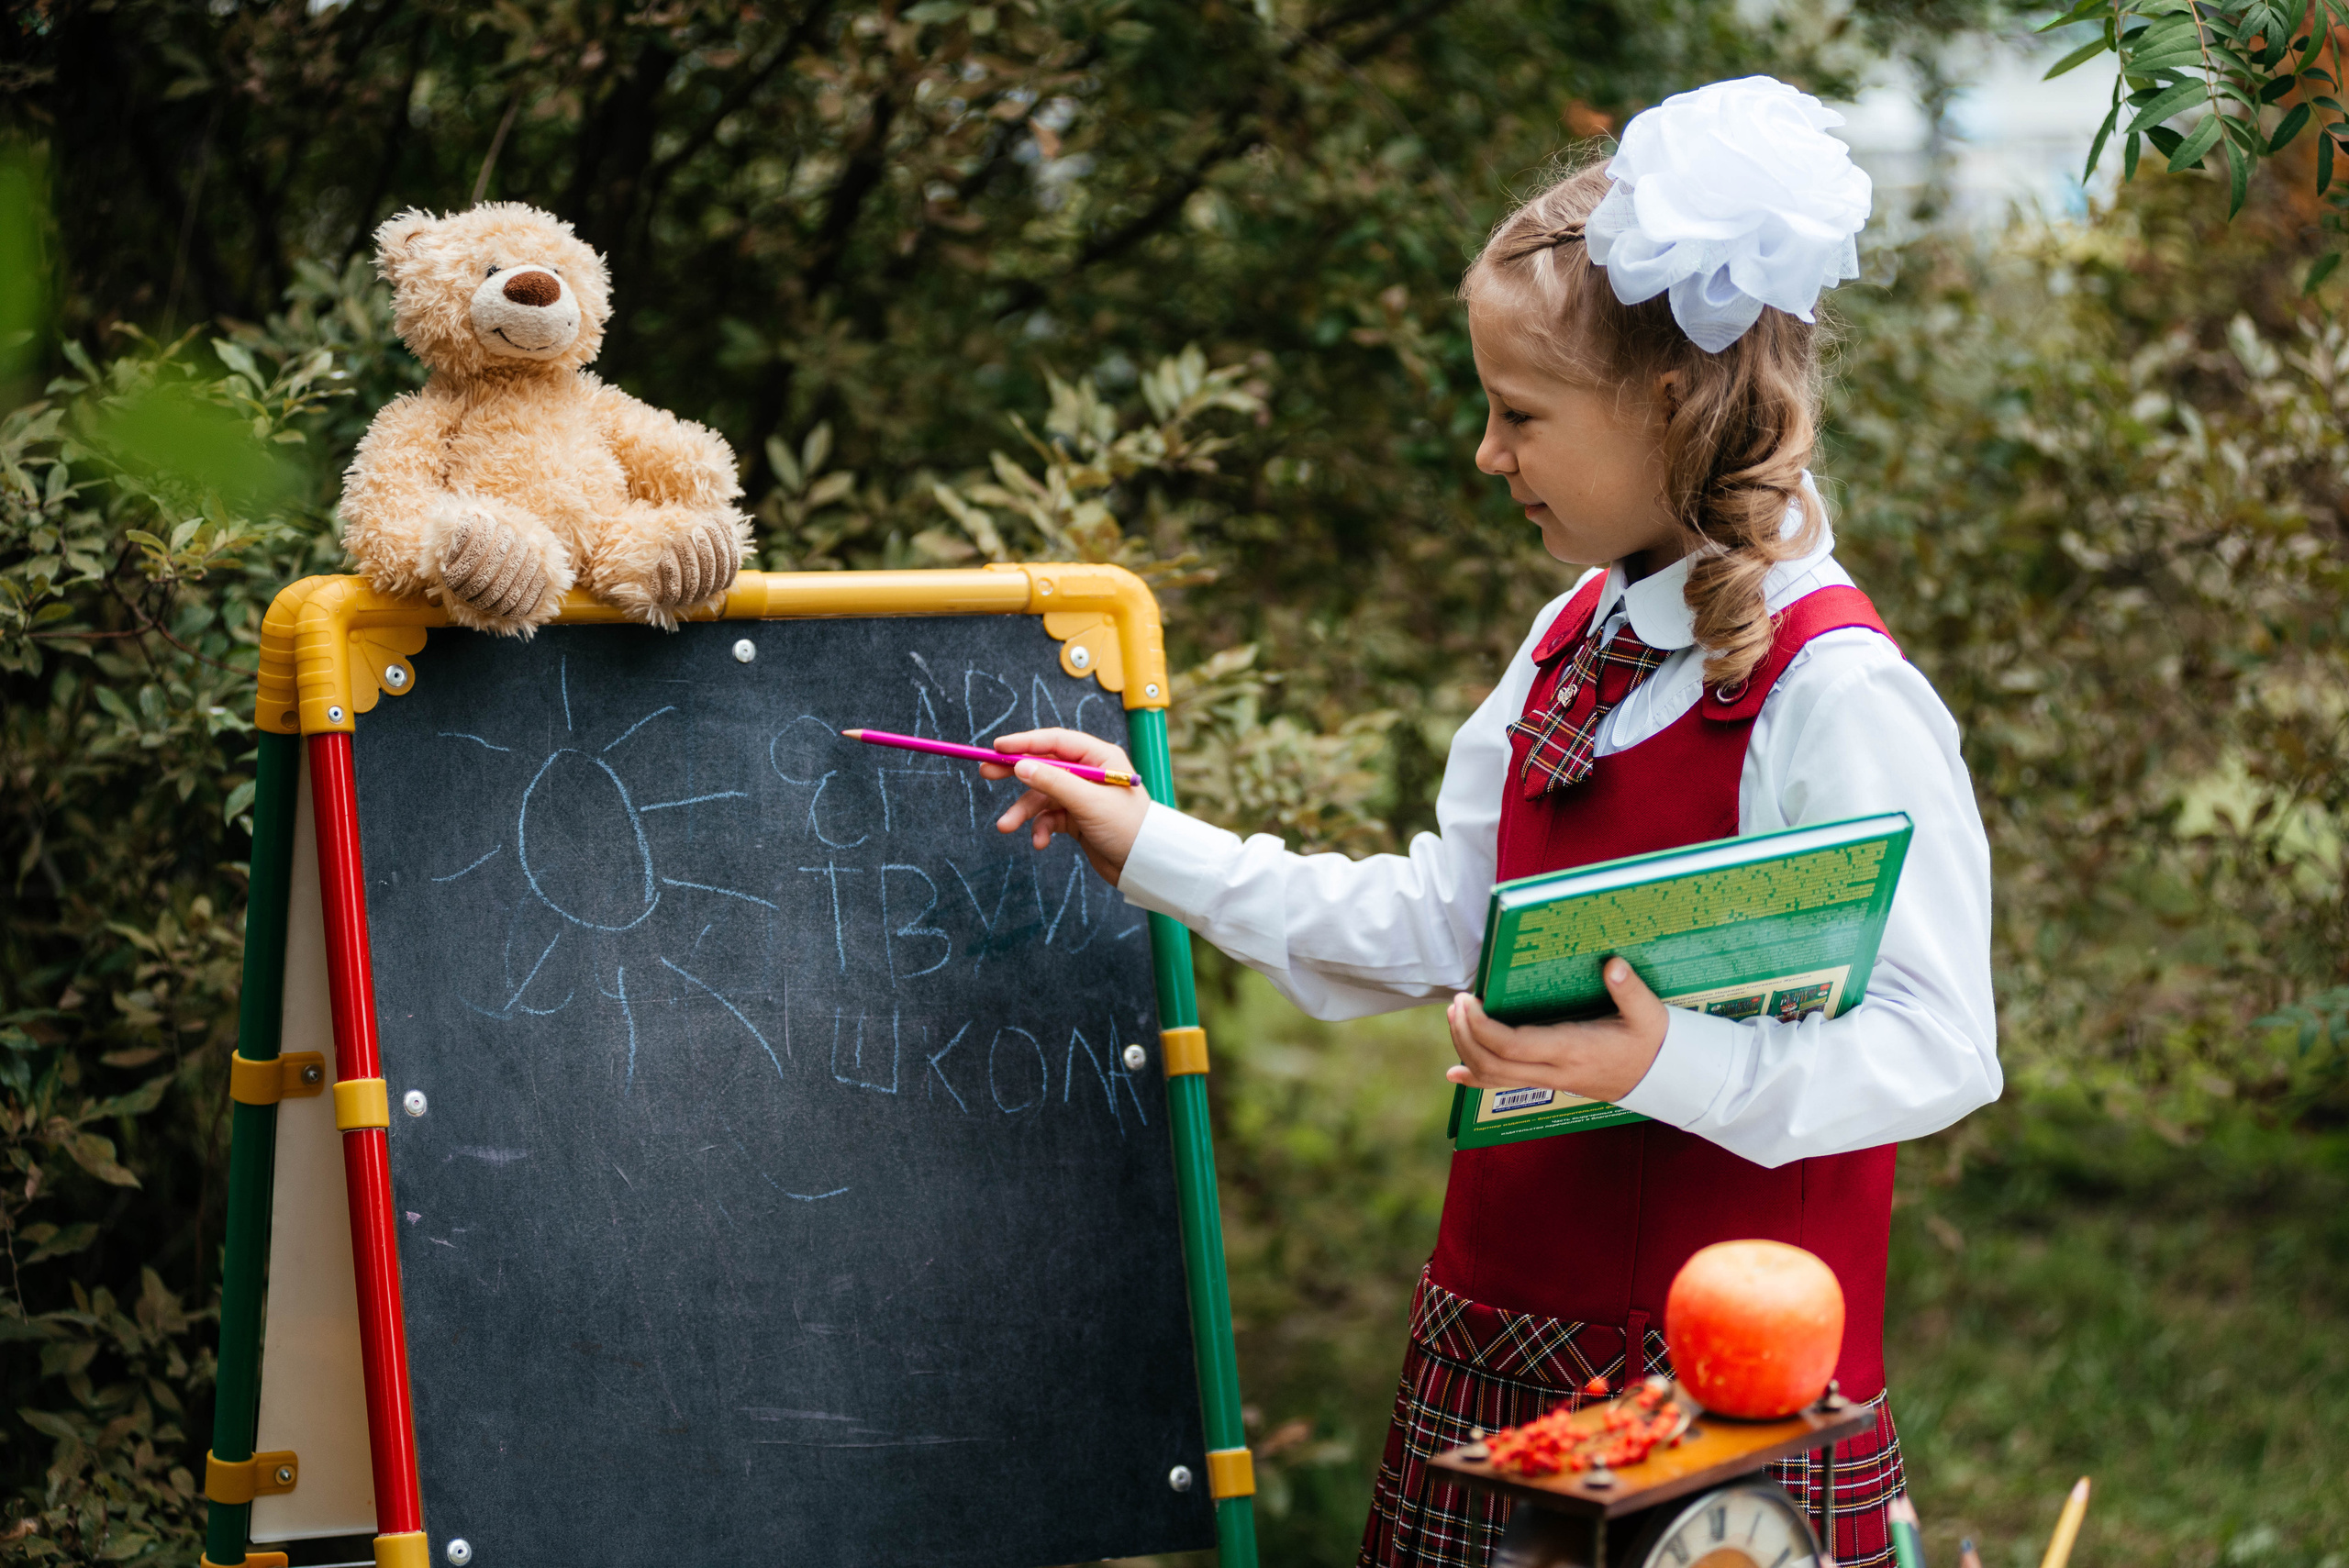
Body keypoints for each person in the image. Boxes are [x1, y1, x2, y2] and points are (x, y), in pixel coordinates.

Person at [980, 75, 1998, 1568]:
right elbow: (1446, 922)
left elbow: (1941, 1042)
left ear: (1668, 404)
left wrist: (1668, 1059)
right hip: (1494, 1348)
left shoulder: (1835, 691)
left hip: (1722, 1418)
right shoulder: (1574, 632)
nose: (1488, 454)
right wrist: (1152, 844)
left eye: (1519, 414)